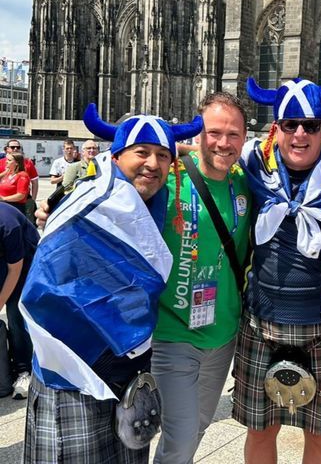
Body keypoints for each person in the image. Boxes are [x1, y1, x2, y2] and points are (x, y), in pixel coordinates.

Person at [20, 106, 203, 464]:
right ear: (116, 156)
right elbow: (47, 285)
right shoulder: (89, 202)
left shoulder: (156, 204)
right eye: (142, 152)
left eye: (163, 155)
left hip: (126, 372)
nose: (153, 163)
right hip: (76, 372)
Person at [234, 65, 321, 464]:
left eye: (311, 126)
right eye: (291, 124)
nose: (300, 134)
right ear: (276, 128)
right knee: (260, 428)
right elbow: (209, 157)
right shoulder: (253, 168)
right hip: (260, 321)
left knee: (320, 433)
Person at [152, 92, 252, 464]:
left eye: (233, 134)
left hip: (223, 333)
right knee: (179, 436)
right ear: (198, 134)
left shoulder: (243, 181)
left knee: (198, 426)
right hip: (172, 331)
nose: (223, 143)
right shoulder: (169, 178)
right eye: (213, 132)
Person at [0, 203, 38, 399]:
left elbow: (14, 270)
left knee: (16, 315)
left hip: (25, 264)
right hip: (3, 258)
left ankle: (24, 370)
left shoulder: (7, 224)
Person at [0, 140, 39, 221]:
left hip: (20, 202)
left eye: (18, 147)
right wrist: (5, 173)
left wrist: (33, 200)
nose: (15, 149)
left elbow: (34, 182)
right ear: (7, 149)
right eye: (12, 147)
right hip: (5, 203)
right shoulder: (2, 163)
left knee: (27, 222)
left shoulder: (27, 163)